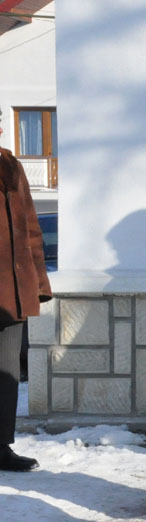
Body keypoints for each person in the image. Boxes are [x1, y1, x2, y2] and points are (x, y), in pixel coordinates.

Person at [0, 117, 51, 472]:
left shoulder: (10, 164)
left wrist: (39, 284)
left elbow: (30, 227)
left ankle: (1, 447)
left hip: (10, 291)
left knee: (5, 375)